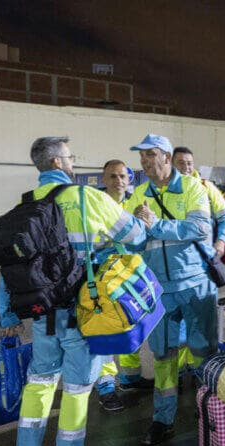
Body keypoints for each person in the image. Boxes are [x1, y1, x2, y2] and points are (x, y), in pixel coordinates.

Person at [0, 136, 147, 446]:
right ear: (55, 162)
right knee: (77, 390)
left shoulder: (24, 204)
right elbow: (136, 236)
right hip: (83, 314)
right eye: (70, 156)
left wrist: (6, 312)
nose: (73, 161)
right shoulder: (86, 197)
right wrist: (143, 222)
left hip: (41, 314)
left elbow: (11, 267)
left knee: (39, 385)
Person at [126, 134, 219, 446]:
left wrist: (155, 225)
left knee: (202, 354)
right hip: (158, 289)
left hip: (195, 284)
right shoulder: (139, 192)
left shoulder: (192, 187)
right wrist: (135, 229)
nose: (144, 162)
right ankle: (162, 420)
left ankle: (209, 413)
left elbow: (200, 228)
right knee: (163, 357)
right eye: (141, 158)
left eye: (149, 155)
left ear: (166, 156)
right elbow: (132, 238)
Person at [171, 146, 225, 382]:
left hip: (202, 269)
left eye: (189, 162)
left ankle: (199, 372)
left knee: (201, 324)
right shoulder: (165, 190)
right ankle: (177, 372)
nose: (186, 167)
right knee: (176, 328)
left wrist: (220, 241)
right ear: (171, 164)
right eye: (180, 163)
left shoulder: (207, 188)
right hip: (175, 271)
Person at [99, 160, 156, 397]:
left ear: (129, 179)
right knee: (104, 329)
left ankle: (130, 375)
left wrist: (143, 223)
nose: (118, 181)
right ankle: (106, 384)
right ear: (104, 179)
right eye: (113, 176)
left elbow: (143, 240)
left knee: (130, 323)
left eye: (123, 176)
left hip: (131, 272)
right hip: (104, 273)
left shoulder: (136, 202)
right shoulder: (97, 205)